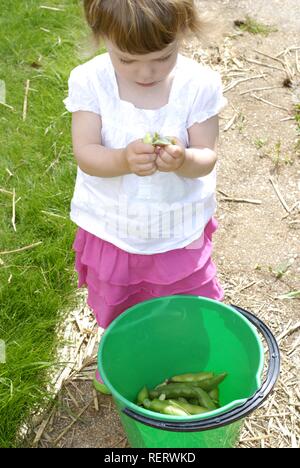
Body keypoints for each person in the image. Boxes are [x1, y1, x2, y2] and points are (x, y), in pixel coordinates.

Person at [63, 0, 227, 394]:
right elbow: (86, 153)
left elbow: (206, 156)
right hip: (114, 225)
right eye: (127, 60)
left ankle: (179, 354)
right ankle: (123, 351)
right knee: (122, 301)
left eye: (161, 57)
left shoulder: (199, 84)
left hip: (176, 225)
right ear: (103, 38)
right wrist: (120, 158)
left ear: (182, 33)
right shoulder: (90, 81)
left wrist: (184, 158)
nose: (146, 72)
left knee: (183, 300)